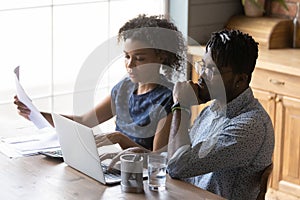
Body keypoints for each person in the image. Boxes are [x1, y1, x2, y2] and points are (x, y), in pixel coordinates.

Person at [14, 14, 186, 156]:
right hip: (121, 168)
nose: (130, 64)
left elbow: (157, 159)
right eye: (127, 56)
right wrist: (35, 112)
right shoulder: (124, 88)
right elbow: (83, 121)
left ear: (161, 57)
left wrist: (119, 138)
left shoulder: (169, 99)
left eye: (140, 58)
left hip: (147, 179)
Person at [166, 29, 274, 200]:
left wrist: (181, 106)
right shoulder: (213, 110)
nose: (201, 76)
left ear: (240, 80)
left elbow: (177, 166)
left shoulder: (251, 126)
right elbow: (180, 158)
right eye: (203, 66)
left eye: (212, 71)